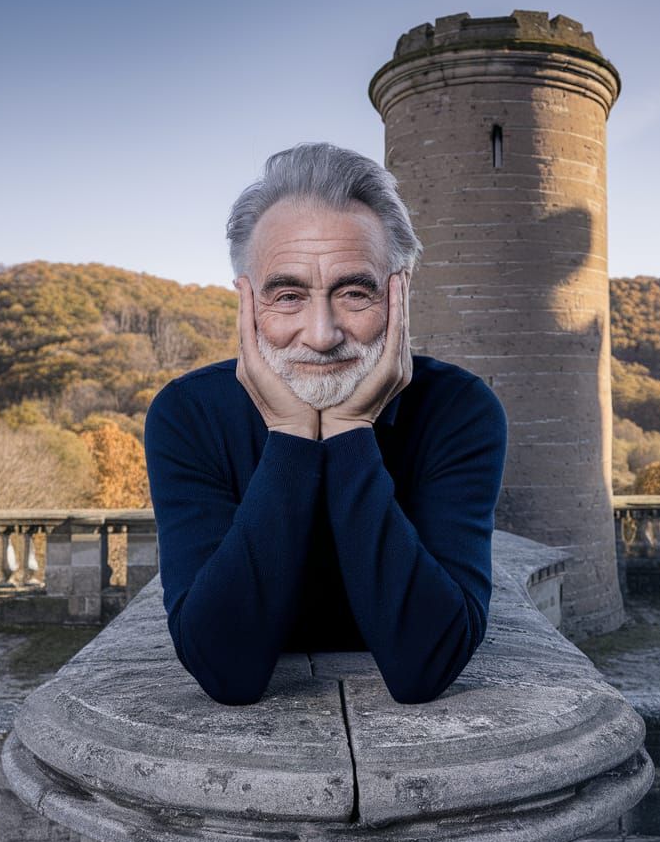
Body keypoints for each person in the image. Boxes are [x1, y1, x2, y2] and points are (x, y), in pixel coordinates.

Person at [143, 142, 508, 705]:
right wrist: (291, 434)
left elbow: (425, 664)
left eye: (354, 293)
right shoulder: (187, 416)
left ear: (399, 294)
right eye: (288, 296)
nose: (321, 334)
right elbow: (224, 670)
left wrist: (349, 428)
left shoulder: (459, 411)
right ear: (247, 301)